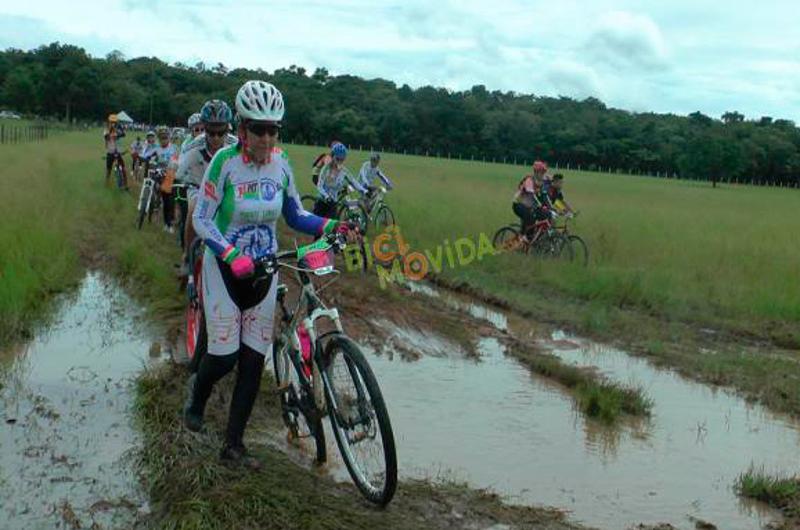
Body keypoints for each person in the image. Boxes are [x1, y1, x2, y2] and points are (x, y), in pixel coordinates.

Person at [186, 80, 353, 465]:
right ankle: (198, 392)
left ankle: (234, 446)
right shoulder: (223, 163)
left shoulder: (281, 164)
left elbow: (295, 214)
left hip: (265, 270)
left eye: (272, 129)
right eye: (258, 128)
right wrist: (229, 254)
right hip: (225, 271)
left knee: (250, 362)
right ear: (241, 129)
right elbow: (202, 219)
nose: (265, 137)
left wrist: (331, 227)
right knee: (223, 358)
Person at [176, 99, 237, 269]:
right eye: (211, 132)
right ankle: (188, 256)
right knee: (194, 208)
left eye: (221, 132)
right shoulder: (194, 147)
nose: (216, 137)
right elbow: (179, 171)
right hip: (196, 186)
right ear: (205, 127)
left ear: (228, 128)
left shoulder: (235, 145)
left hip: (223, 189)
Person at [313, 142, 365, 218]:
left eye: (342, 160)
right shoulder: (325, 169)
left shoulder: (344, 171)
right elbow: (319, 186)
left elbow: (353, 181)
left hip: (333, 204)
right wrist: (326, 197)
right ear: (333, 156)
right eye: (338, 159)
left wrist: (364, 191)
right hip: (321, 202)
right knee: (317, 227)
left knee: (332, 227)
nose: (340, 162)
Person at [143, 125, 179, 232]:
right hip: (159, 173)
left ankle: (170, 223)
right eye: (161, 137)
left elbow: (177, 160)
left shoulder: (174, 148)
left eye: (165, 137)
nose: (164, 140)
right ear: (159, 138)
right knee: (163, 198)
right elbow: (147, 155)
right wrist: (145, 158)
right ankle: (164, 219)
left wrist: (173, 165)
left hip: (170, 174)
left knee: (169, 201)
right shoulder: (156, 148)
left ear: (169, 137)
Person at [513, 160, 551, 240]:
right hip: (519, 204)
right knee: (531, 218)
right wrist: (540, 205)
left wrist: (550, 207)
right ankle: (523, 237)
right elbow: (532, 195)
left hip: (529, 206)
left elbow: (544, 196)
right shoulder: (529, 180)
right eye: (542, 172)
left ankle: (536, 238)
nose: (543, 174)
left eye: (544, 172)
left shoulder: (541, 182)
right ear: (536, 172)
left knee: (546, 214)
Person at [103, 114, 128, 188]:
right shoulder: (106, 129)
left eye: (114, 122)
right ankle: (107, 182)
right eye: (111, 122)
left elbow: (123, 134)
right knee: (109, 169)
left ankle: (126, 183)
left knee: (123, 167)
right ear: (109, 122)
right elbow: (106, 137)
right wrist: (111, 131)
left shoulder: (118, 129)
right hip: (110, 151)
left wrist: (118, 132)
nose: (113, 123)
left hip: (118, 151)